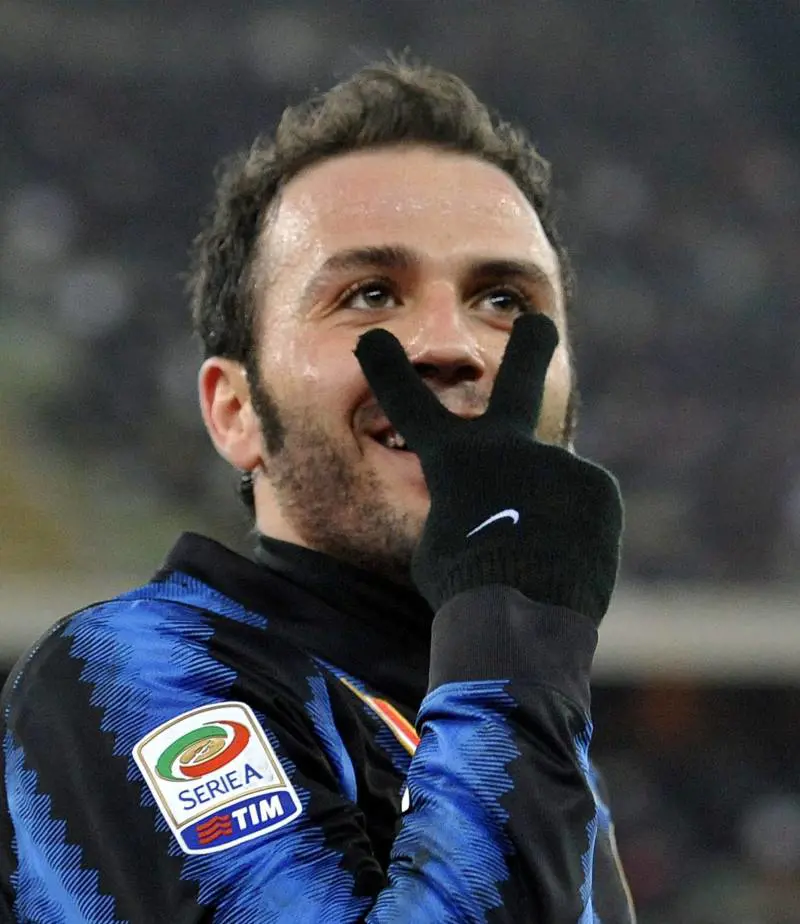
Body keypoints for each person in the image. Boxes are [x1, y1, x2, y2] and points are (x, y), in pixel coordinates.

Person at [0, 59, 635, 923]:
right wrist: (509, 646)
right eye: (370, 294)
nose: (451, 345)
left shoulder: (528, 721)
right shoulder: (131, 673)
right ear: (236, 411)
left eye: (502, 299)